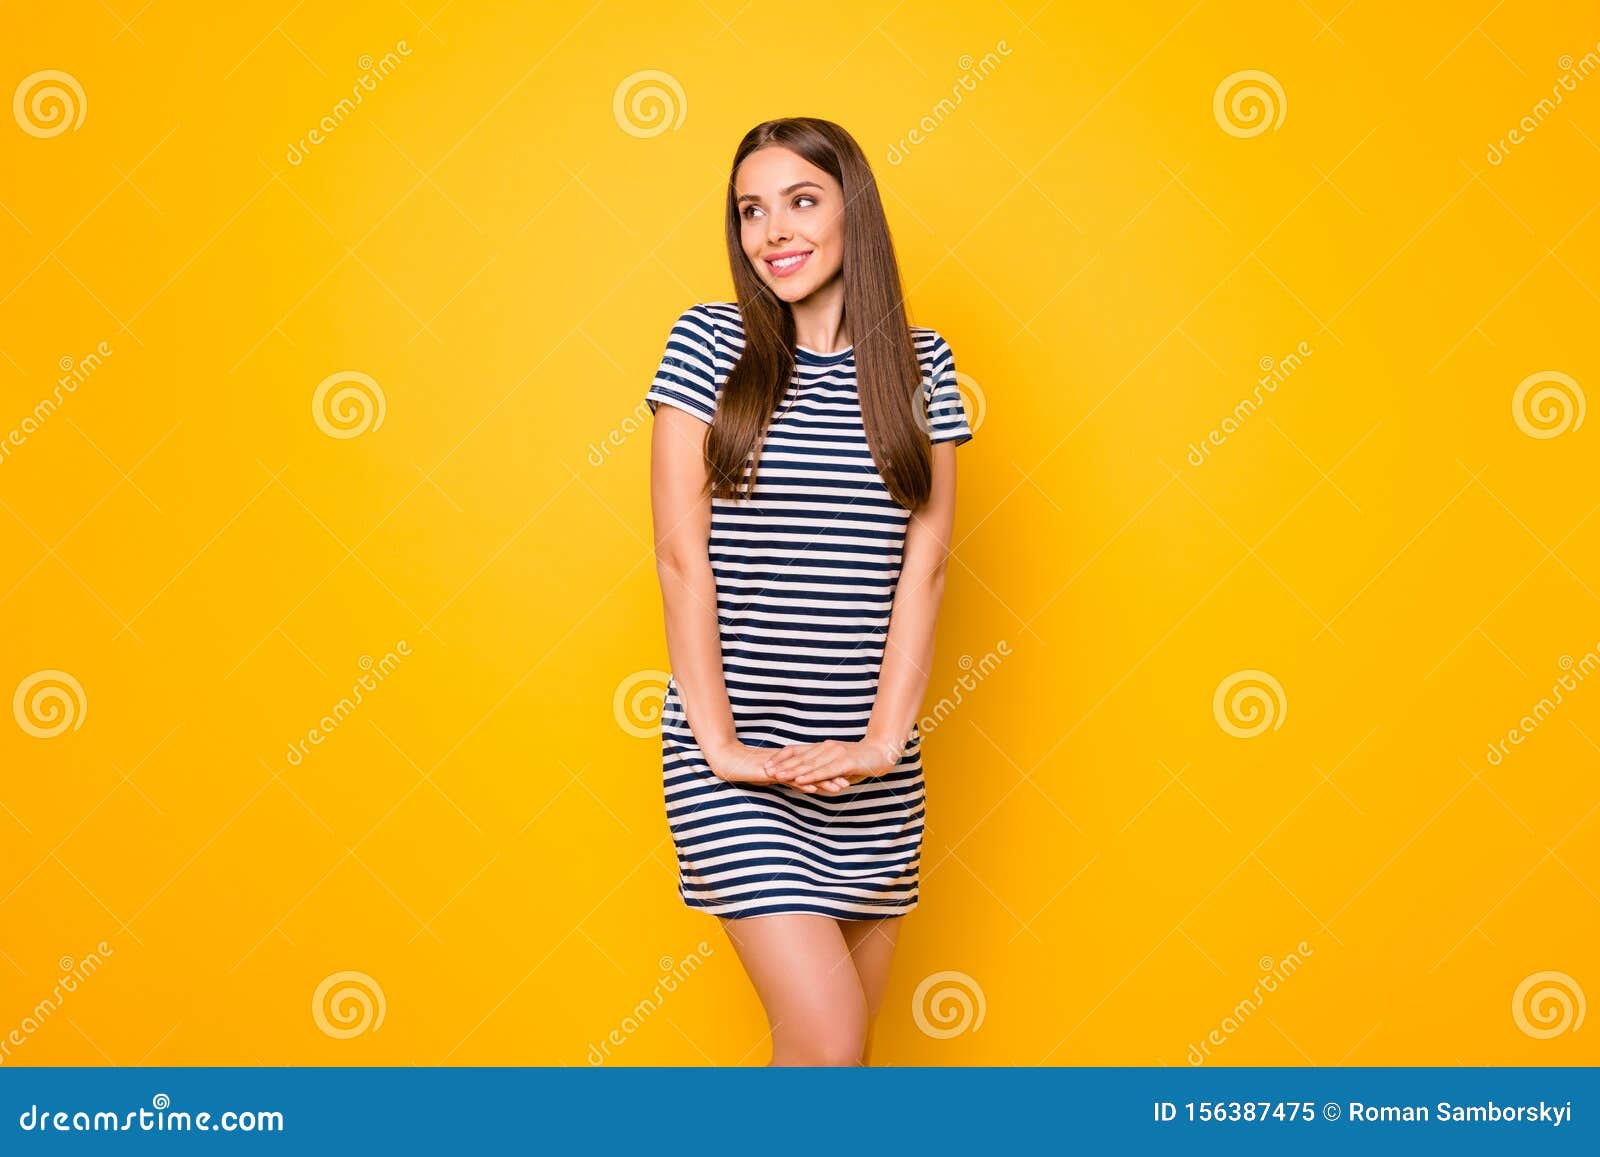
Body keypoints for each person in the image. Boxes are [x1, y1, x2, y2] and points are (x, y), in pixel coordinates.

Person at [645, 116, 975, 1066]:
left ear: (852, 215)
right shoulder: (709, 345)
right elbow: (679, 554)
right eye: (751, 210)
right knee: (829, 1044)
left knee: (833, 1062)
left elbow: (929, 562)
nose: (771, 231)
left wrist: (880, 743)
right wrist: (719, 745)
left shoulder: (920, 364)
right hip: (737, 765)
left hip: (870, 773)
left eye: (800, 201)